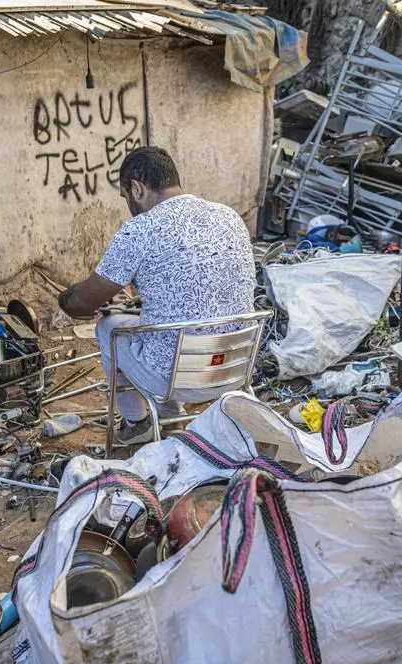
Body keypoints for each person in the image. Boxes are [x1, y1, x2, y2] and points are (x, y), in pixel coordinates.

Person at [57, 146, 255, 446]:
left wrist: (65, 299)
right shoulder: (229, 216)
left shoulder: (139, 230)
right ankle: (169, 416)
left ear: (137, 188)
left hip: (177, 379)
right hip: (236, 368)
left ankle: (138, 424)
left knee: (109, 326)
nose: (128, 204)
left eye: (125, 196)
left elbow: (83, 303)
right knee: (158, 323)